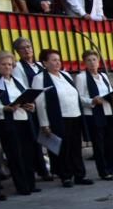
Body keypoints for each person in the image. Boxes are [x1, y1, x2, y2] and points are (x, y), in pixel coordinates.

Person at [34, 49, 90, 188]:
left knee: (75, 147)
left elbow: (74, 95)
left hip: (75, 115)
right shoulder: (40, 78)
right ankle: (65, 176)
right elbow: (40, 103)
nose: (57, 62)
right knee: (63, 148)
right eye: (53, 60)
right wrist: (44, 123)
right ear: (45, 63)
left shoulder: (65, 75)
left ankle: (79, 174)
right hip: (59, 118)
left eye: (58, 59)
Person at [0, 51, 39, 195]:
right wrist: (5, 108)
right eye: (3, 64)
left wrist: (31, 106)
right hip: (7, 122)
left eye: (10, 64)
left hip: (23, 119)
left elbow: (27, 96)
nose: (7, 67)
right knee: (15, 154)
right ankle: (22, 185)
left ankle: (31, 183)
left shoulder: (17, 80)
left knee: (27, 153)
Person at [11, 37, 51, 182]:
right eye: (23, 48)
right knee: (35, 139)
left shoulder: (40, 65)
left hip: (45, 104)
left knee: (50, 136)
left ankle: (54, 166)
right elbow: (22, 87)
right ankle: (41, 169)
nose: (27, 50)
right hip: (32, 106)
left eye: (29, 46)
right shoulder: (18, 68)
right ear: (18, 52)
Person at [75, 49, 113, 180]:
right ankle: (103, 171)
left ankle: (111, 168)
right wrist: (92, 101)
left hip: (108, 112)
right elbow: (79, 97)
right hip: (94, 114)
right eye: (88, 60)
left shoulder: (104, 76)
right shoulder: (81, 77)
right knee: (99, 145)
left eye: (94, 59)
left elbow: (110, 92)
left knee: (110, 143)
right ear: (84, 63)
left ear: (98, 61)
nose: (92, 63)